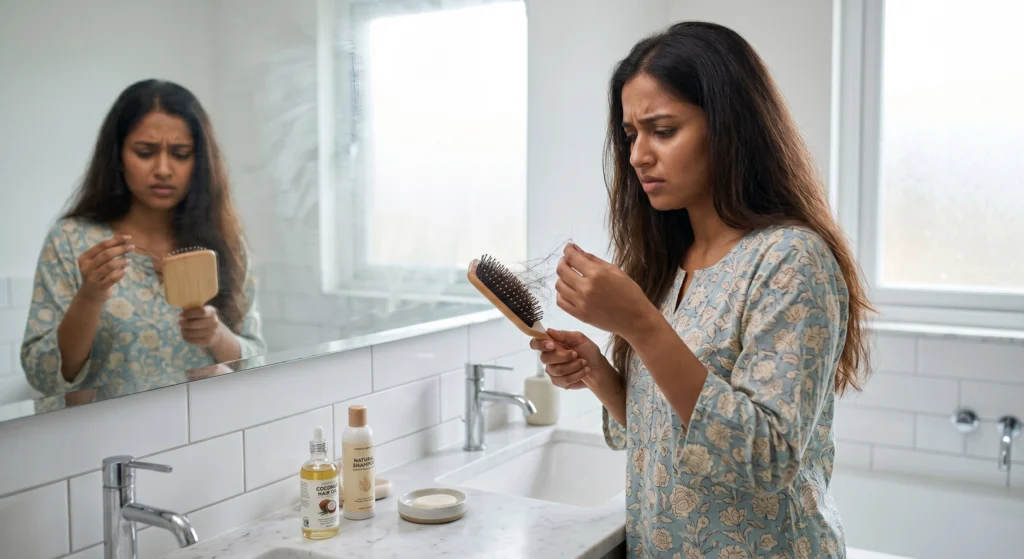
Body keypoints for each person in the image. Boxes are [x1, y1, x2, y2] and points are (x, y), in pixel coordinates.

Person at [532, 22, 872, 558]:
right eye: (630, 135)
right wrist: (602, 376)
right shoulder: (669, 262)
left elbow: (767, 458)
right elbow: (669, 433)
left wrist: (641, 324)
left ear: (731, 128)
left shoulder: (789, 259)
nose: (639, 155)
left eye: (663, 130)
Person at [21, 79, 266, 400]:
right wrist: (90, 297)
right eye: (145, 152)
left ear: (199, 162)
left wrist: (217, 335)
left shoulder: (222, 244)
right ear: (118, 156)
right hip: (99, 445)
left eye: (180, 154)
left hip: (205, 437)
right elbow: (43, 375)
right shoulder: (72, 241)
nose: (163, 169)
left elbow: (259, 364)